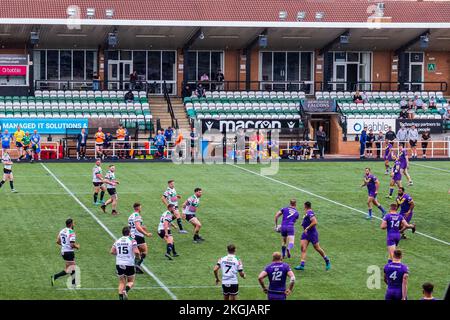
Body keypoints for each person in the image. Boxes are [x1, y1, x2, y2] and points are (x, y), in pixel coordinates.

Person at [294, 201, 331, 271]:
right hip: (306, 233)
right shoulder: (307, 213)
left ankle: (327, 260)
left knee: (317, 248)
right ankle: (302, 265)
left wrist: (307, 227)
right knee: (303, 248)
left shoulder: (310, 212)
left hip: (312, 233)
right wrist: (303, 223)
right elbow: (308, 220)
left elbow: (315, 222)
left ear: (305, 206)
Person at [111, 226, 140, 300]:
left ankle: (120, 298)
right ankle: (125, 290)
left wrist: (120, 255)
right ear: (129, 233)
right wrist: (138, 257)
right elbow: (136, 251)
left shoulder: (118, 240)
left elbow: (112, 251)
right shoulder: (132, 240)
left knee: (121, 282)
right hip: (129, 263)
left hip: (119, 263)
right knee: (131, 281)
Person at [51, 218, 80, 287]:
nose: (74, 224)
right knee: (72, 267)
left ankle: (73, 283)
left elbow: (58, 241)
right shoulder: (71, 232)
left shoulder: (62, 231)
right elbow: (72, 244)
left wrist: (64, 245)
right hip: (69, 252)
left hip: (64, 251)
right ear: (71, 224)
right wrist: (77, 246)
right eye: (73, 223)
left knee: (69, 268)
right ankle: (55, 277)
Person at [128, 203, 152, 274]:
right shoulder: (137, 215)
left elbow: (130, 227)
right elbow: (138, 227)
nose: (141, 208)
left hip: (131, 236)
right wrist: (146, 234)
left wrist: (143, 227)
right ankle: (137, 265)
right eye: (140, 207)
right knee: (144, 251)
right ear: (138, 208)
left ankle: (133, 266)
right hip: (138, 235)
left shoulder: (130, 216)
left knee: (136, 252)